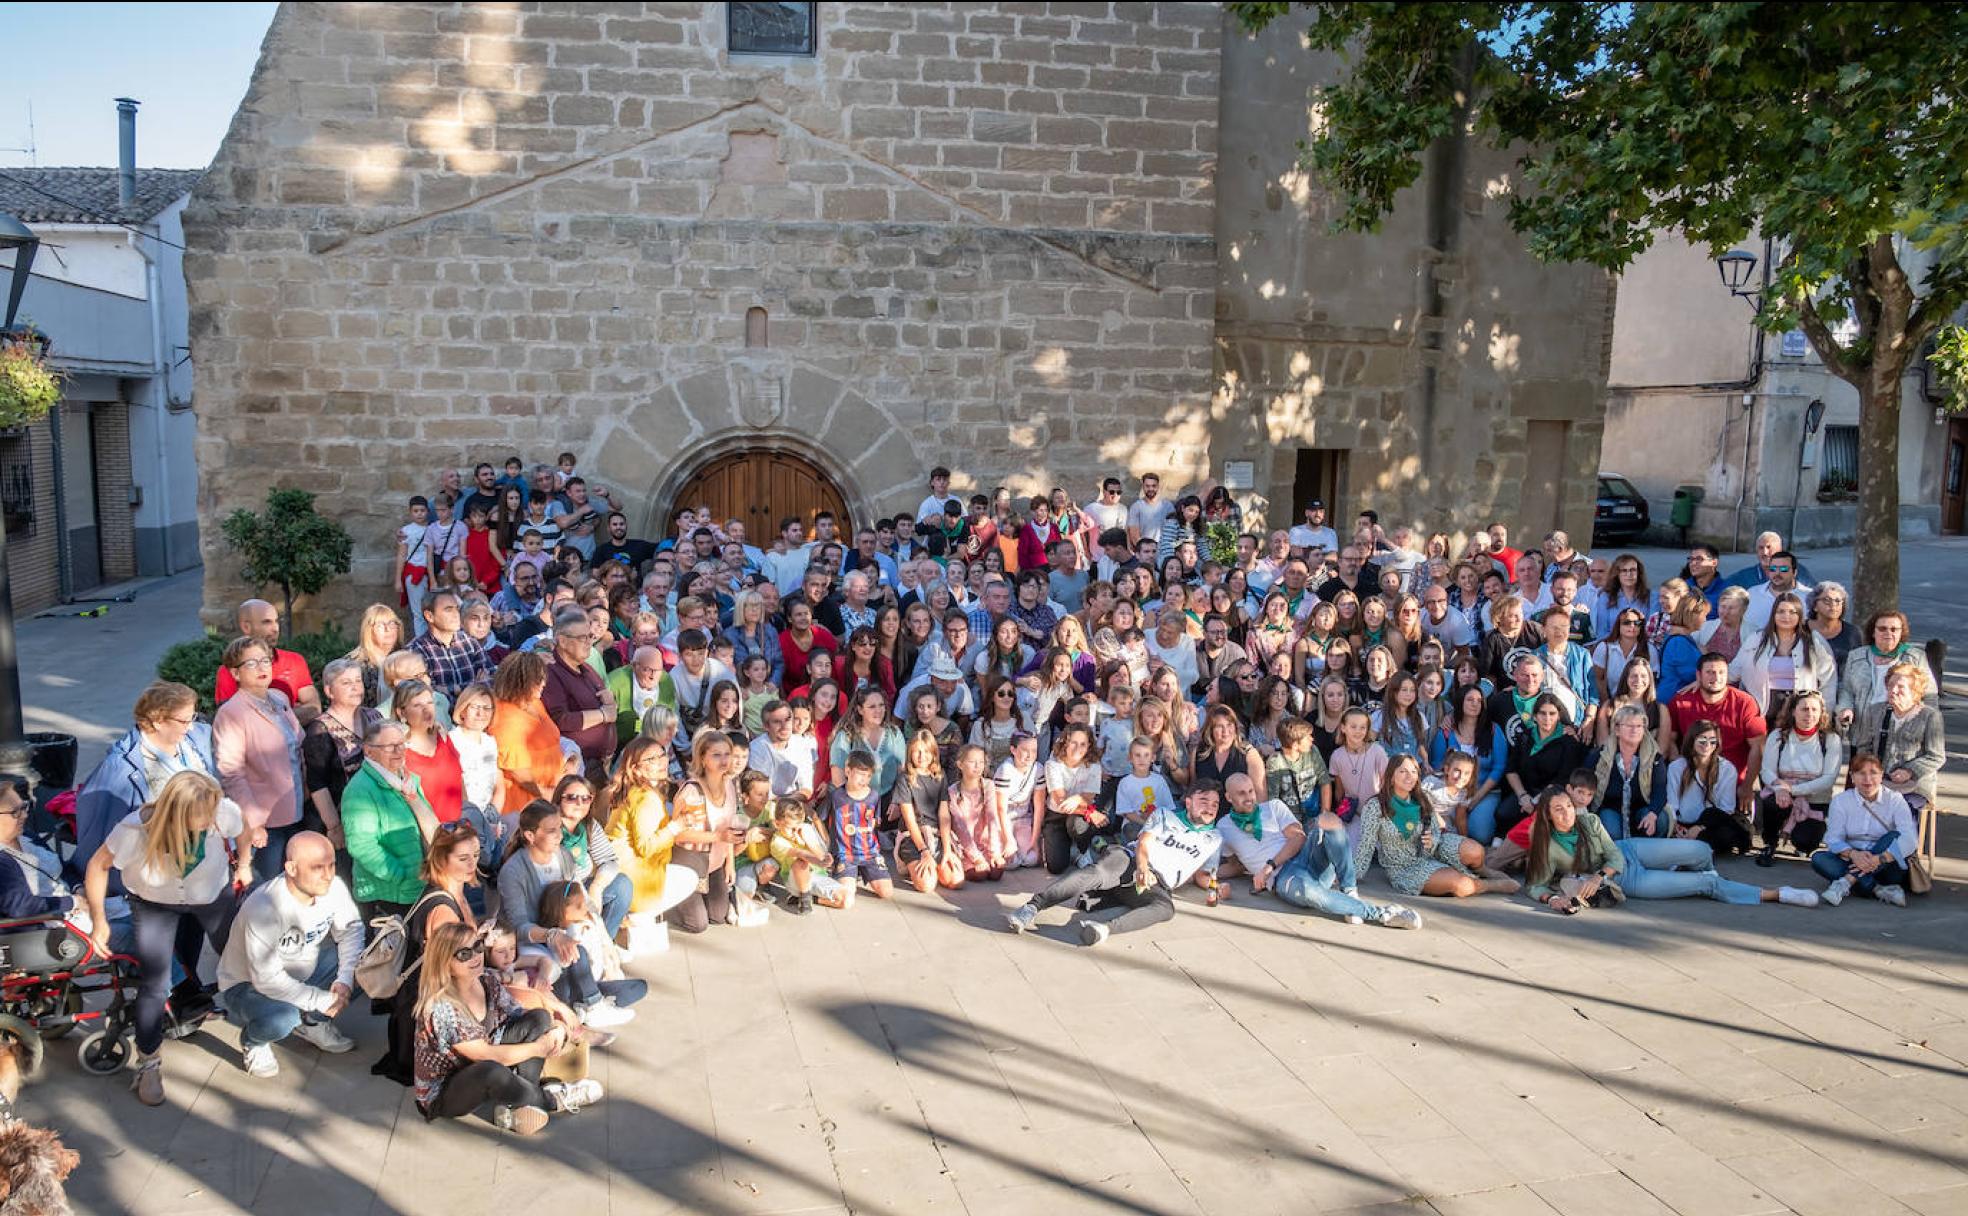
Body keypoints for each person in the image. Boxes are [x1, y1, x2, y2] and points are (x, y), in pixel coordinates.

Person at [82, 771, 249, 1106]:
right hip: (154, 902)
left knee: (238, 961)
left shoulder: (220, 811)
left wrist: (244, 864)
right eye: (199, 821)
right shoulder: (134, 830)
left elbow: (244, 830)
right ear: (174, 815)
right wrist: (99, 921)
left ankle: (256, 1032)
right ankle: (149, 1063)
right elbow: (98, 866)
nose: (208, 826)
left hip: (210, 897)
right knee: (155, 984)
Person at [412, 921, 602, 1134]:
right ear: (445, 963)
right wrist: (539, 1048)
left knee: (538, 1018)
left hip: (482, 1059)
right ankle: (550, 1099)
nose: (475, 956)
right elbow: (485, 1055)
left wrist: (557, 1028)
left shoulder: (486, 980)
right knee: (491, 1070)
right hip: (446, 1091)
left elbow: (521, 1015)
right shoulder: (442, 1008)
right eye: (464, 954)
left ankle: (521, 1104)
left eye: (477, 947)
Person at [1523, 787, 1816, 913]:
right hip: (1626, 879)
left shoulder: (1588, 820)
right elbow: (1535, 885)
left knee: (1702, 850)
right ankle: (1777, 893)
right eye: (1558, 810)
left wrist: (1597, 876)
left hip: (1627, 852)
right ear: (1548, 816)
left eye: (1568, 807)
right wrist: (1552, 900)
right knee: (1707, 883)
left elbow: (1613, 855)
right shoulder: (1548, 847)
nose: (1567, 813)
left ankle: (1685, 874)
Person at [1004, 780, 1226, 946]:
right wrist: (1142, 868)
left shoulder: (1214, 838)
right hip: (1130, 861)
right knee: (1098, 873)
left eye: (1215, 804)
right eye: (1203, 801)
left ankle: (1102, 930)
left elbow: (1205, 875)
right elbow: (1144, 842)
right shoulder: (1166, 815)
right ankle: (1033, 906)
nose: (1210, 807)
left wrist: (1218, 887)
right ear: (1188, 802)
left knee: (1166, 908)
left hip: (1156, 885)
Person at [215, 831, 363, 1078]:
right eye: (317, 867)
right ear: (291, 868)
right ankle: (254, 1041)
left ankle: (313, 1023)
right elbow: (266, 979)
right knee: (283, 1018)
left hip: (303, 969)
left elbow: (351, 931)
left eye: (332, 865)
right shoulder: (264, 907)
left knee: (365, 968)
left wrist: (344, 980)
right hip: (247, 984)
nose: (328, 875)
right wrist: (320, 999)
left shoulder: (334, 887)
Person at [71, 681, 217, 889]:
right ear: (158, 721)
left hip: (207, 859)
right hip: (161, 873)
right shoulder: (119, 770)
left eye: (192, 718)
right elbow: (100, 837)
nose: (191, 726)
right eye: (184, 721)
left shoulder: (195, 741)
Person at [375, 822, 481, 1086]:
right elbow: (453, 970)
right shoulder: (443, 909)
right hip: (429, 1004)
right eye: (464, 858)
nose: (472, 864)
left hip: (435, 991)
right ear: (442, 859)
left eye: (476, 856)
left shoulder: (454, 888)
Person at [212, 636, 307, 880]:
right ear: (235, 673)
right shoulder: (231, 713)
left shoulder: (279, 699)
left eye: (265, 661)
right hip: (265, 822)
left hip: (296, 807)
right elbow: (231, 772)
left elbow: (297, 746)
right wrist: (253, 822)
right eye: (251, 663)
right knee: (268, 888)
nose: (262, 667)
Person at [1353, 756, 1515, 899]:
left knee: (1476, 851)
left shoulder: (1421, 799)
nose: (1410, 776)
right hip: (1404, 867)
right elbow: (1366, 845)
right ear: (1391, 776)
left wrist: (1432, 840)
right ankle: (1488, 885)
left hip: (1433, 850)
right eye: (1403, 771)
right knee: (1461, 885)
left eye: (1414, 771)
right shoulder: (1376, 806)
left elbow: (1436, 831)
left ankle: (1483, 870)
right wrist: (1350, 876)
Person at [602, 737, 700, 950]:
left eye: (662, 755)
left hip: (622, 875)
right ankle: (634, 917)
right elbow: (646, 847)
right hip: (635, 880)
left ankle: (631, 917)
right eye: (652, 759)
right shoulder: (645, 798)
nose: (661, 761)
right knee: (689, 877)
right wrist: (676, 826)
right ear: (636, 769)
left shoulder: (635, 791)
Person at [340, 719, 440, 921]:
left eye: (402, 744)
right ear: (368, 751)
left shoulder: (408, 781)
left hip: (418, 885)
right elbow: (362, 846)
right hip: (389, 894)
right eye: (390, 747)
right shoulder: (359, 790)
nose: (399, 751)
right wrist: (402, 875)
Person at [665, 729, 753, 933]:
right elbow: (678, 834)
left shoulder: (729, 784)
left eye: (726, 754)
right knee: (698, 924)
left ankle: (699, 896)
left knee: (718, 916)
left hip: (715, 862)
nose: (724, 760)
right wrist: (717, 836)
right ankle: (671, 904)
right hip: (691, 861)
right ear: (703, 759)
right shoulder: (692, 791)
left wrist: (729, 862)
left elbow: (729, 828)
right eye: (716, 754)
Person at [1814, 754, 1918, 907]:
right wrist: (1853, 854)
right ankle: (1877, 889)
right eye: (1861, 773)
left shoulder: (1895, 799)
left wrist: (1879, 859)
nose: (1868, 779)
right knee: (1819, 859)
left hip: (1887, 862)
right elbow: (1833, 839)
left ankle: (1846, 882)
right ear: (1852, 777)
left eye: (1873, 773)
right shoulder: (1841, 801)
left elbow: (1910, 840)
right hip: (1853, 857)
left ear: (1882, 775)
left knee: (1894, 836)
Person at [1667, 652, 1766, 804]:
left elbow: (1758, 747)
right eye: (1710, 672)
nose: (1717, 678)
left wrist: (1747, 787)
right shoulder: (1681, 702)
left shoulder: (1745, 703)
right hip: (1692, 781)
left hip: (1735, 783)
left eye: (1721, 672)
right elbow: (1669, 739)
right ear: (1698, 675)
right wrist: (1679, 763)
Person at [1754, 691, 1841, 866]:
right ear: (1793, 711)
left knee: (1806, 840)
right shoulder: (1779, 735)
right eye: (1804, 709)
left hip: (1813, 798)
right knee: (1771, 804)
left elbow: (1828, 779)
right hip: (1782, 795)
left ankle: (1802, 841)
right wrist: (1780, 789)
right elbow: (1766, 771)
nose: (1809, 714)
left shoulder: (1830, 739)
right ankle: (1770, 842)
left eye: (1814, 710)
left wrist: (1792, 790)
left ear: (1821, 713)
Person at [1849, 662, 1946, 813]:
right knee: (1850, 807)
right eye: (1890, 685)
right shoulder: (1875, 711)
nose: (1893, 690)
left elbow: (1936, 756)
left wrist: (1909, 771)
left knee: (1899, 810)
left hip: (1915, 788)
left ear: (1915, 692)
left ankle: (1899, 837)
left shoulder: (1930, 716)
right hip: (1877, 784)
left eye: (1900, 687)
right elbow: (1863, 748)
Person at [540, 606, 618, 784]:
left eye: (590, 636)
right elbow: (560, 719)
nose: (589, 642)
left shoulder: (586, 667)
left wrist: (610, 704)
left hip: (601, 763)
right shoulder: (552, 672)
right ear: (562, 641)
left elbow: (608, 705)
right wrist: (604, 715)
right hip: (579, 767)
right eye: (582, 638)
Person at [1731, 591, 1837, 720]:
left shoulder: (1813, 641)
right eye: (1781, 611)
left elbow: (1829, 679)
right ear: (1773, 615)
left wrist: (1826, 713)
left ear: (1800, 616)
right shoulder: (1756, 639)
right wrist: (1703, 681)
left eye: (1792, 612)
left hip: (1800, 708)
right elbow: (1734, 670)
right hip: (1761, 707)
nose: (1786, 616)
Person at [213, 599, 321, 719]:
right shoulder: (230, 670)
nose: (275, 629)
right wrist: (289, 713)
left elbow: (314, 708)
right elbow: (232, 718)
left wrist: (272, 718)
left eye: (276, 622)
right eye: (266, 622)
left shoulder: (294, 660)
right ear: (246, 627)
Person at [1835, 610, 1938, 730]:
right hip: (1863, 730)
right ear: (1873, 632)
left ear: (1901, 633)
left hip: (1902, 730)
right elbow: (1847, 690)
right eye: (1882, 629)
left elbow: (1930, 696)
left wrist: (1927, 725)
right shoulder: (1856, 656)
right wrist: (1845, 708)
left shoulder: (1915, 657)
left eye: (1894, 629)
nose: (1888, 633)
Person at [491, 651, 564, 817]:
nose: (543, 684)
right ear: (519, 682)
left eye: (543, 678)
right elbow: (518, 771)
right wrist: (545, 793)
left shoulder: (535, 703)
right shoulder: (504, 716)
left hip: (552, 791)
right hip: (527, 803)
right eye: (537, 680)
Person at [1665, 720, 1750, 856]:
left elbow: (1726, 809)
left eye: (1712, 741)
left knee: (1714, 819)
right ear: (1692, 740)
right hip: (1683, 823)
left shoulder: (1727, 769)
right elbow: (1671, 804)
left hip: (1711, 824)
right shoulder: (1677, 767)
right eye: (1702, 741)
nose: (1707, 746)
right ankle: (1695, 846)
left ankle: (1697, 846)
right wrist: (1675, 826)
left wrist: (1700, 827)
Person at [1588, 706, 1670, 841]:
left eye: (1639, 726)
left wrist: (1652, 813)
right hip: (1610, 809)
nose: (1635, 730)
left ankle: (1650, 858)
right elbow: (1585, 781)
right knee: (1611, 831)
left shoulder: (1654, 757)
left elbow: (1660, 790)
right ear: (1617, 729)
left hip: (1641, 810)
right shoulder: (1600, 755)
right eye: (1629, 725)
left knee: (1661, 820)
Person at [0, 777, 69, 919]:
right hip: (48, 927)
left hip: (74, 906)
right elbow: (21, 907)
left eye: (24, 807)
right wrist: (72, 902)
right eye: (16, 812)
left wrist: (78, 888)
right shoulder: (2, 861)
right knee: (122, 928)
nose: (25, 815)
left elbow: (64, 867)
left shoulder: (25, 835)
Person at [1805, 582, 1862, 666]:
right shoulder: (1800, 629)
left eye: (1838, 601)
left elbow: (1858, 665)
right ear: (1814, 606)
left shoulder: (1852, 632)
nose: (1833, 605)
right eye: (1827, 600)